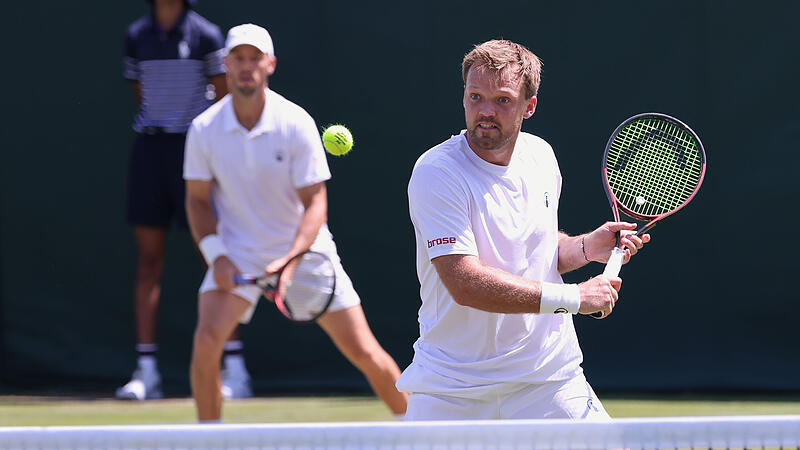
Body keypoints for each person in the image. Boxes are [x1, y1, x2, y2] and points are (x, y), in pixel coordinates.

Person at [397, 39, 650, 420]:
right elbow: (465, 283)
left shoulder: (541, 156)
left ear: (528, 106)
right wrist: (575, 298)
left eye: (502, 100)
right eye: (475, 96)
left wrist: (584, 248)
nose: (485, 111)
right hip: (453, 387)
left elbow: (535, 256)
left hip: (548, 378)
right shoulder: (437, 172)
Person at [183, 23, 408, 422]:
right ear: (226, 64)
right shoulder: (204, 130)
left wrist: (292, 258)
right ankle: (210, 441)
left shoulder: (295, 121)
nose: (247, 66)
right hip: (239, 253)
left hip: (306, 253)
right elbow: (198, 202)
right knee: (206, 342)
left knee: (365, 352)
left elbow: (316, 202)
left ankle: (424, 435)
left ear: (270, 64)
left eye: (255, 58)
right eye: (239, 58)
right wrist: (217, 257)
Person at [118, 0, 253, 401]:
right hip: (151, 153)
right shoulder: (136, 36)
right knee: (148, 263)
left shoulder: (206, 35)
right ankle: (146, 372)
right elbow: (141, 91)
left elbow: (222, 96)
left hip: (196, 154)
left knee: (216, 259)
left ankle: (235, 370)